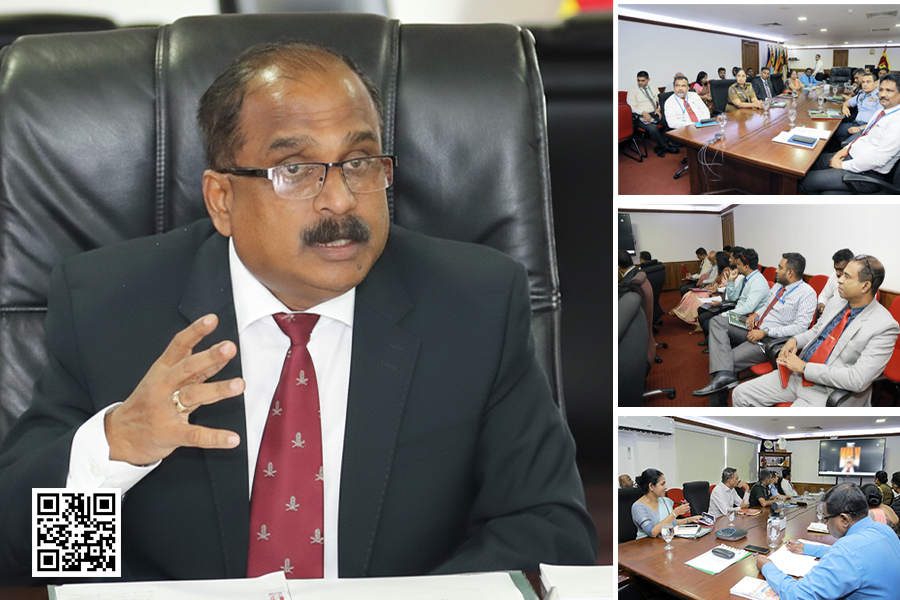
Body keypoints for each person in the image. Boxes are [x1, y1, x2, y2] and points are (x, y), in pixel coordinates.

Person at [0, 41, 598, 584]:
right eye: (295, 170)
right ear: (222, 200)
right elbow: (27, 555)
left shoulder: (474, 304)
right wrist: (115, 449)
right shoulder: (109, 305)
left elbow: (547, 530)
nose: (340, 199)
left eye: (360, 162)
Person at [733, 255, 899, 407]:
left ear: (865, 286)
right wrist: (795, 341)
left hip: (828, 391)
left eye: (846, 276)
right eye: (840, 275)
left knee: (789, 431)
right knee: (740, 394)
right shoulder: (837, 301)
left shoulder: (884, 326)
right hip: (796, 375)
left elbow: (857, 379)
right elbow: (816, 331)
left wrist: (804, 368)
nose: (839, 280)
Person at [695, 253, 817, 406]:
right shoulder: (779, 286)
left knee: (724, 362)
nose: (776, 271)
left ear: (790, 273)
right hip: (755, 327)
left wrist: (765, 331)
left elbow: (800, 328)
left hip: (770, 340)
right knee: (717, 321)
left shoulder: (807, 294)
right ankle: (724, 376)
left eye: (780, 268)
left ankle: (718, 405)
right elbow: (766, 305)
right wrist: (756, 315)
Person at [757, 483, 900, 600]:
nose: (826, 524)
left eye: (826, 518)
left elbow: (798, 595)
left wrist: (767, 567)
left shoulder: (846, 550)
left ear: (844, 519)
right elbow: (857, 555)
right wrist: (806, 548)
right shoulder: (883, 529)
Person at [799, 74, 900, 194]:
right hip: (851, 157)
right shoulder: (881, 112)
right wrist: (845, 150)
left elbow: (878, 160)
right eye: (881, 90)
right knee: (807, 164)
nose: (883, 94)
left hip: (865, 175)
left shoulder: (897, 121)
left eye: (889, 91)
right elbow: (863, 136)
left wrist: (842, 165)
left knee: (804, 181)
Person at [696, 246, 751, 342]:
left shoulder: (740, 275)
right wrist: (718, 290)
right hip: (725, 301)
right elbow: (731, 292)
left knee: (705, 320)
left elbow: (735, 298)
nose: (729, 259)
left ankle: (712, 341)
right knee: (701, 310)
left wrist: (721, 303)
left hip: (728, 305)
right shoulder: (736, 272)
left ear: (737, 259)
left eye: (731, 257)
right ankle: (709, 340)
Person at [631, 469, 701, 539]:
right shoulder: (638, 506)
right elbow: (652, 532)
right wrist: (675, 513)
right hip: (646, 544)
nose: (665, 487)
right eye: (662, 484)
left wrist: (689, 520)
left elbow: (669, 522)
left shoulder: (665, 501)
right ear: (651, 486)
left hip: (664, 540)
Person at [672, 252, 730, 331]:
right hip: (713, 290)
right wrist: (710, 285)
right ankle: (680, 312)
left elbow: (724, 286)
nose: (713, 262)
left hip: (718, 294)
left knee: (695, 296)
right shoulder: (721, 270)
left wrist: (713, 287)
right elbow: (715, 281)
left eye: (715, 260)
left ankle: (687, 315)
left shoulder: (727, 270)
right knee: (690, 293)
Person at [626, 70, 679, 157]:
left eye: (643, 80)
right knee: (653, 128)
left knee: (670, 122)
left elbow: (659, 100)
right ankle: (665, 146)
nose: (640, 82)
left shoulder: (654, 87)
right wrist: (643, 112)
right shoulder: (632, 90)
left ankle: (659, 146)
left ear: (648, 80)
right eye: (638, 80)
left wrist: (658, 109)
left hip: (654, 113)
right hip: (641, 115)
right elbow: (631, 107)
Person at [836, 72, 880, 141]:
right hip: (855, 123)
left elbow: (880, 121)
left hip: (868, 128)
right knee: (830, 131)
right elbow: (848, 102)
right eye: (863, 82)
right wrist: (845, 107)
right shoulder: (861, 95)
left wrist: (860, 128)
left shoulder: (880, 98)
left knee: (848, 145)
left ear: (876, 83)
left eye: (868, 82)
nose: (865, 84)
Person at [817, 248, 853, 317]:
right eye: (836, 269)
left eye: (841, 270)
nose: (837, 273)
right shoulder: (834, 276)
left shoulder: (859, 282)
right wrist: (822, 304)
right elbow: (824, 296)